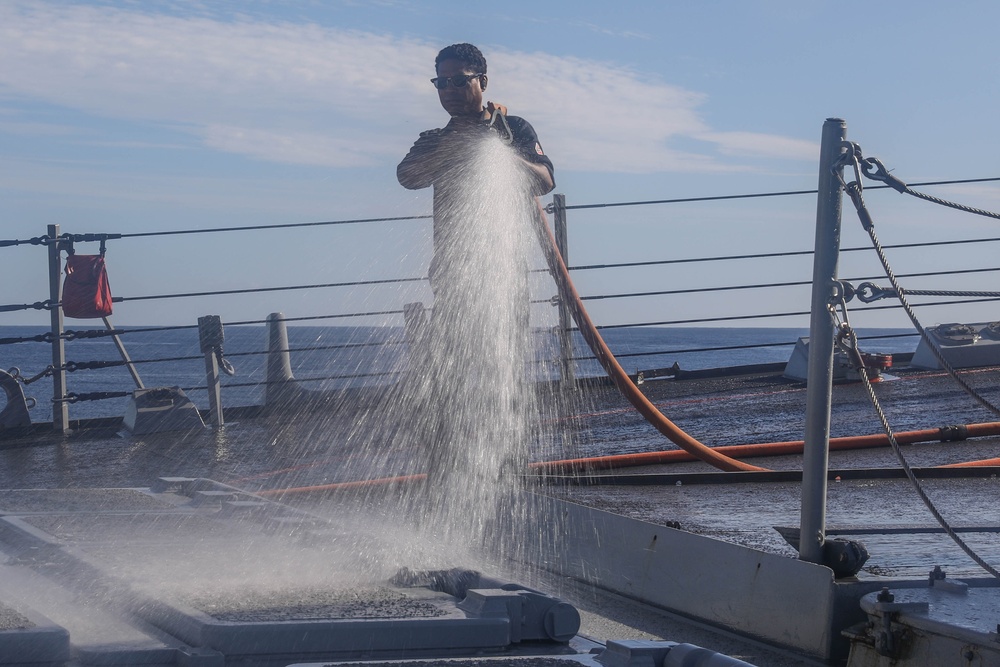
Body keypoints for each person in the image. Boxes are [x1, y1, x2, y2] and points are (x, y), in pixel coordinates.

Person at [395, 43, 555, 503]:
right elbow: (408, 176)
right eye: (439, 82)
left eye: (457, 80)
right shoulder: (433, 137)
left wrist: (495, 154)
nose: (447, 90)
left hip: (502, 276)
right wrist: (451, 149)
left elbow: (543, 180)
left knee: (504, 371)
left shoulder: (514, 129)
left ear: (482, 81)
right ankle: (451, 473)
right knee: (450, 378)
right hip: (452, 276)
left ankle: (507, 472)